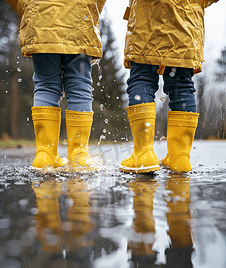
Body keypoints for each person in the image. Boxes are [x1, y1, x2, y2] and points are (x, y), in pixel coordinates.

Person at [119, 0, 219, 173]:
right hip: (186, 25)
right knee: (182, 85)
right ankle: (180, 157)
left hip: (147, 21)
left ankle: (143, 153)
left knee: (142, 78)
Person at [5, 0, 106, 170]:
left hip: (40, 19)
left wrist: (29, 8)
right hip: (79, 17)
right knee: (80, 84)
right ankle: (79, 156)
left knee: (45, 84)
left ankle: (45, 154)